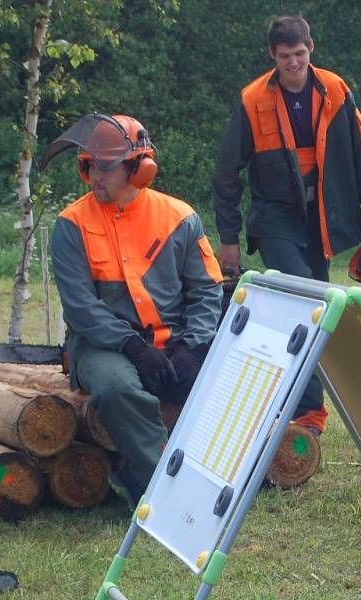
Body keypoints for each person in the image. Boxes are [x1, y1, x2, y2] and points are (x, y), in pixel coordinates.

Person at [211, 16, 361, 436]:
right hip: (274, 218)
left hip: (322, 219)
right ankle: (293, 409)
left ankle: (308, 417)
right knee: (306, 302)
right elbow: (226, 174)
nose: (294, 63)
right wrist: (228, 239)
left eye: (300, 54)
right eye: (285, 57)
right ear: (272, 57)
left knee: (317, 314)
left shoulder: (336, 90)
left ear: (310, 47)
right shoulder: (252, 100)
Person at [44, 113, 223, 510]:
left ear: (139, 169)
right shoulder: (70, 225)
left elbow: (207, 290)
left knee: (221, 381)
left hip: (175, 338)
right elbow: (81, 308)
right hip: (102, 344)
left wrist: (193, 347)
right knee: (117, 388)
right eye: (88, 165)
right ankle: (162, 492)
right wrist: (132, 346)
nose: (94, 176)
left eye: (105, 167)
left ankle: (229, 477)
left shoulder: (179, 217)